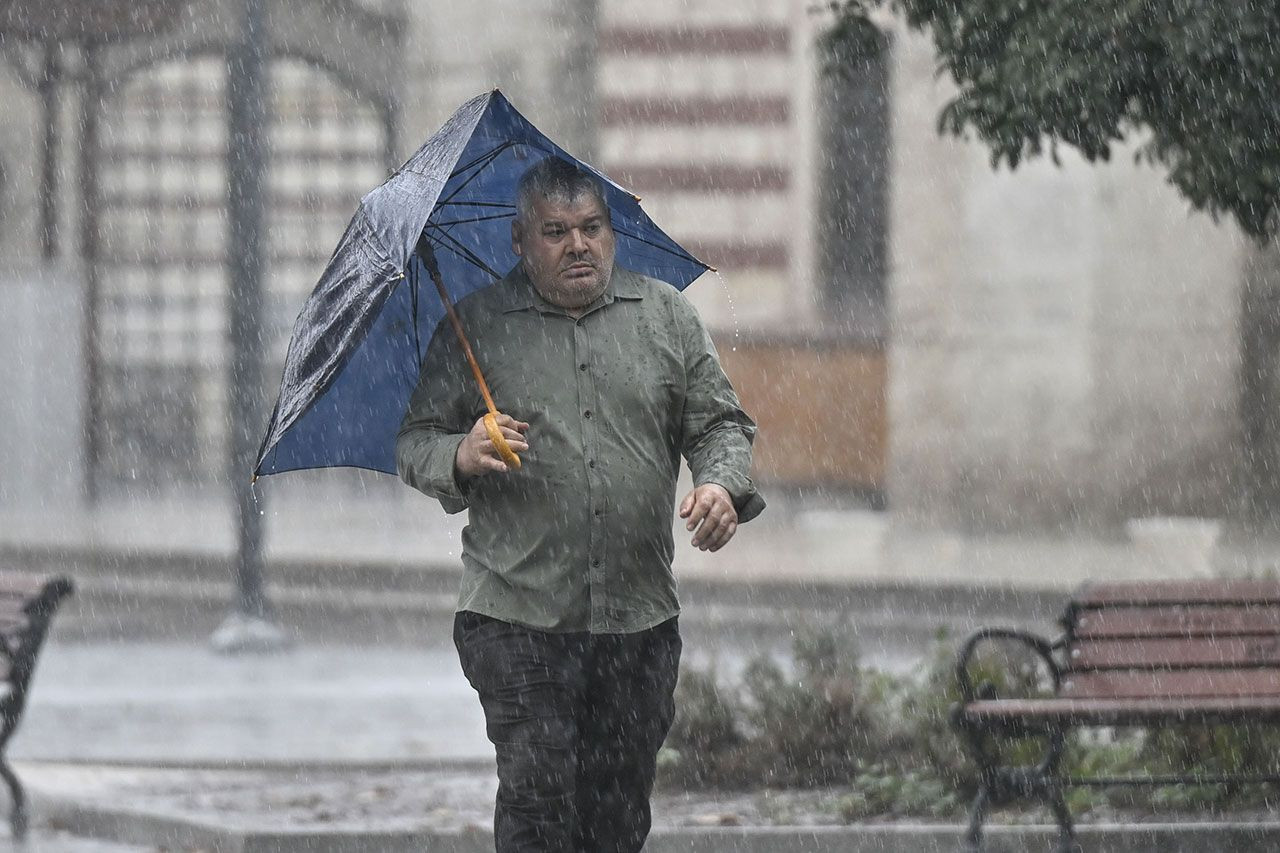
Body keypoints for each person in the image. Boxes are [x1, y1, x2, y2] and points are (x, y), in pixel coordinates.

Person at [396, 156, 764, 852]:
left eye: (591, 227)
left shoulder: (665, 318)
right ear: (520, 242)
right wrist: (459, 451)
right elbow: (416, 439)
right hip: (516, 615)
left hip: (638, 618)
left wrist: (720, 484)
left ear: (612, 230)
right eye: (556, 230)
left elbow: (720, 425)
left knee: (617, 815)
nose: (578, 245)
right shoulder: (476, 326)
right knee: (539, 803)